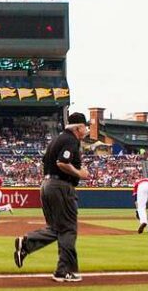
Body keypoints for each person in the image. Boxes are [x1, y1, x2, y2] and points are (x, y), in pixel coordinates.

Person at [13, 112, 91, 281]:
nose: (86, 129)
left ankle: (28, 245)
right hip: (61, 186)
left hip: (47, 185)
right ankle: (68, 270)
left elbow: (46, 161)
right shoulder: (71, 140)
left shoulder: (57, 138)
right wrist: (80, 173)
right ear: (78, 127)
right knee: (68, 228)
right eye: (85, 126)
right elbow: (62, 162)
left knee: (57, 228)